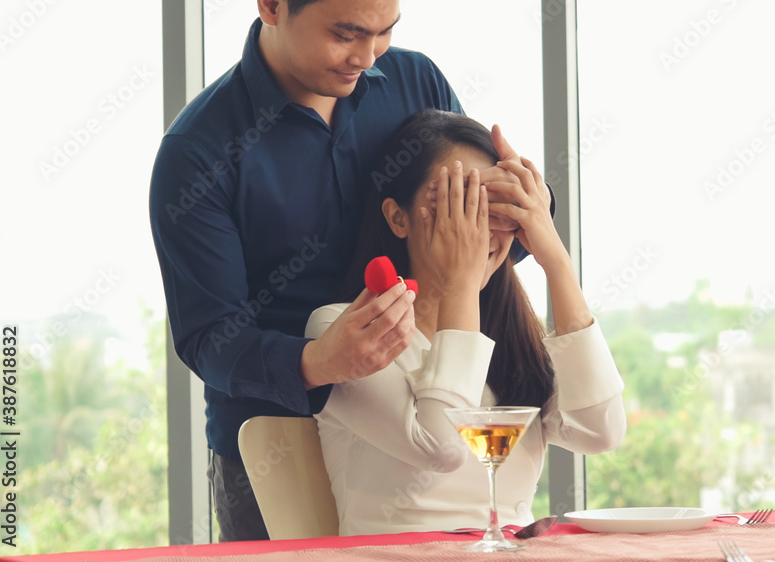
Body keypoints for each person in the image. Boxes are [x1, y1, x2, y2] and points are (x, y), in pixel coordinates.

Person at [148, 0, 528, 542]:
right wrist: (314, 362)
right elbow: (207, 337)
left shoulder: (416, 80)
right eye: (346, 34)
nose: (367, 56)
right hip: (278, 440)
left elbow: (464, 239)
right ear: (272, 6)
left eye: (384, 33)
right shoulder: (198, 152)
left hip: (422, 416)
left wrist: (527, 209)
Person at [305, 109, 626, 535]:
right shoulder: (344, 330)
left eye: (494, 205)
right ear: (398, 217)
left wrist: (554, 257)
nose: (479, 227)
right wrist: (461, 281)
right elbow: (443, 447)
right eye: (459, 203)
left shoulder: (510, 337)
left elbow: (599, 432)